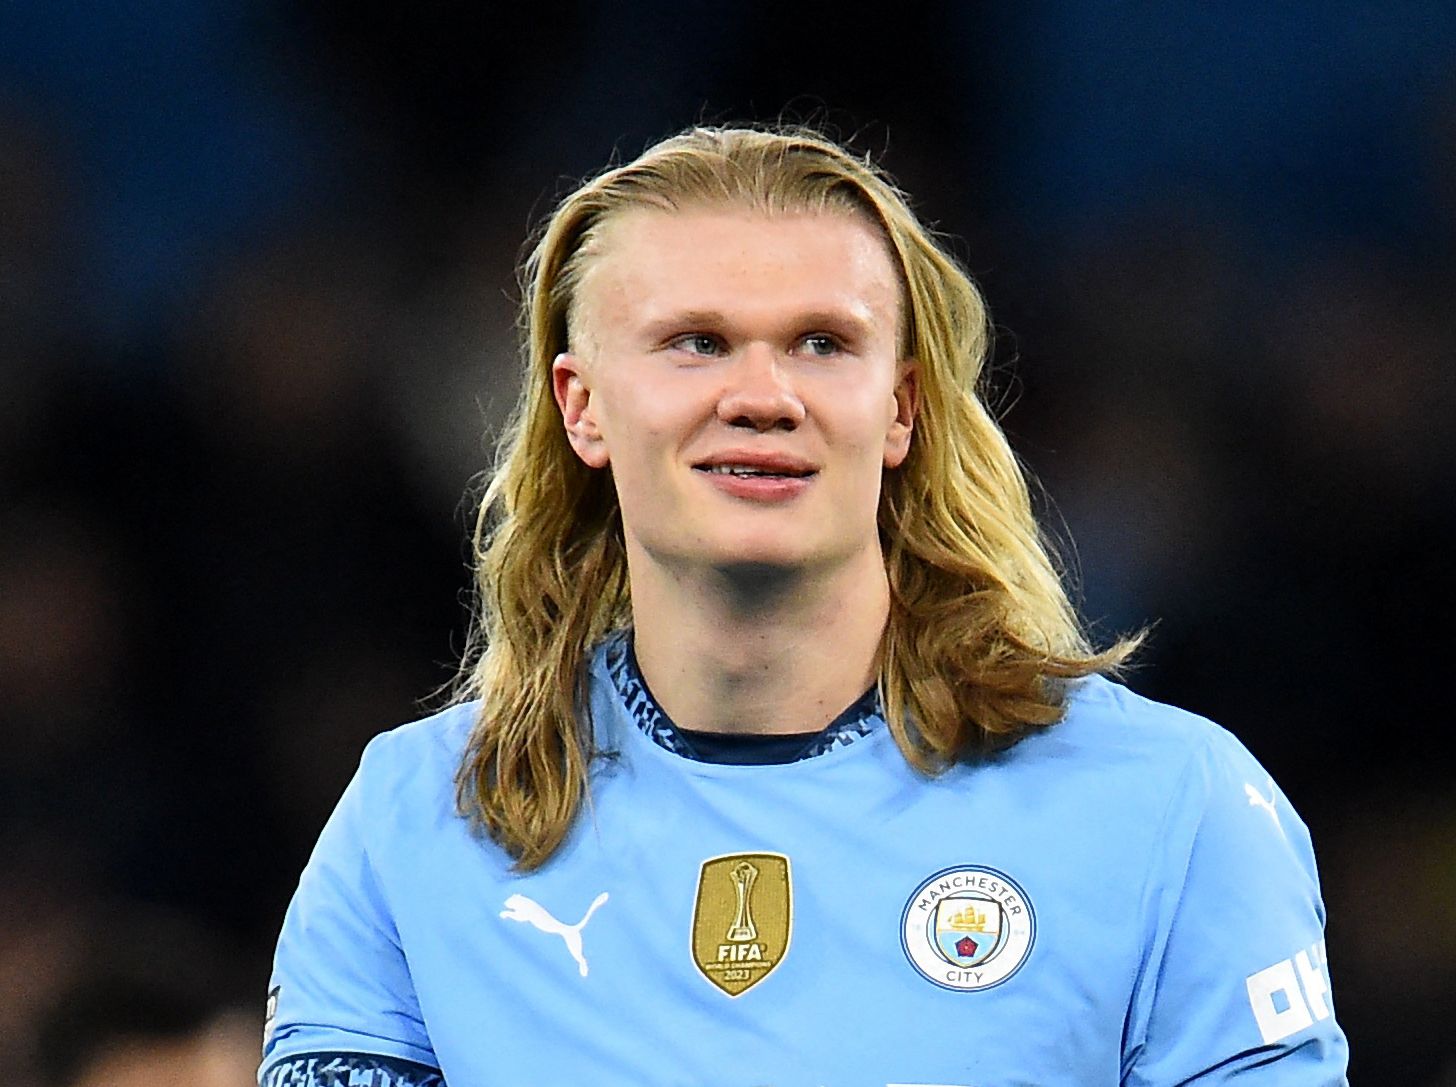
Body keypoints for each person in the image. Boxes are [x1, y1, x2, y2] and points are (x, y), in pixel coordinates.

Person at [260, 126, 1349, 1085]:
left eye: (822, 344)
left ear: (901, 408)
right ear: (580, 406)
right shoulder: (414, 821)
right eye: (696, 342)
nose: (762, 397)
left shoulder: (1170, 809)